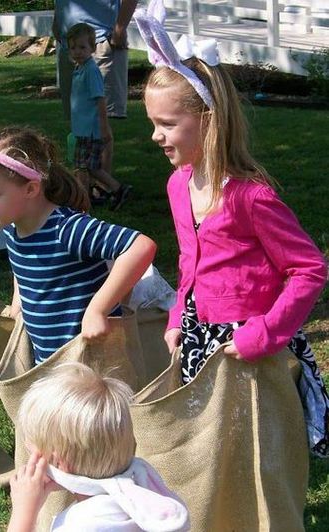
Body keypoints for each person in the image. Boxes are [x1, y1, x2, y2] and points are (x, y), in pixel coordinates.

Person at [137, 0, 328, 457]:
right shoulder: (178, 185)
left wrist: (263, 334)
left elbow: (310, 270)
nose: (155, 136)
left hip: (248, 341)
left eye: (167, 124)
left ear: (208, 120)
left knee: (254, 445)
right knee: (211, 443)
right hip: (200, 335)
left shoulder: (250, 197)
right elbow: (190, 262)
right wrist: (178, 315)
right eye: (152, 124)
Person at [0, 126, 156, 364]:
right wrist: (16, 305)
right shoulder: (13, 229)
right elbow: (22, 271)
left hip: (92, 360)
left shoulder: (67, 229)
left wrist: (98, 309)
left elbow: (140, 247)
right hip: (50, 359)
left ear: (31, 188)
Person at [7, 362, 190, 532]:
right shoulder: (144, 491)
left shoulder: (82, 526)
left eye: (32, 454)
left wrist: (24, 512)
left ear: (60, 464)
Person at [53, 0, 138, 177]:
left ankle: (103, 185)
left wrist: (120, 28)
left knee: (101, 122)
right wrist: (57, 22)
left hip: (99, 41)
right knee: (77, 117)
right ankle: (85, 180)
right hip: (69, 42)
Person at [67, 22, 132, 211]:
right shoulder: (79, 69)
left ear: (92, 48)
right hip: (81, 129)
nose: (77, 52)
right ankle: (94, 195)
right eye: (73, 48)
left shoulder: (91, 70)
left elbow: (100, 99)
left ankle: (111, 191)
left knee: (86, 166)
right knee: (87, 166)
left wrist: (103, 127)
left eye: (82, 47)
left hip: (91, 130)